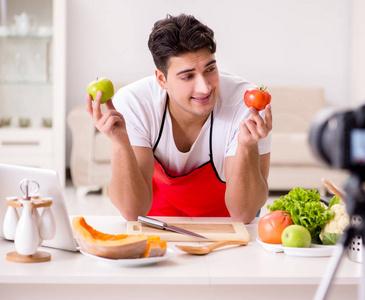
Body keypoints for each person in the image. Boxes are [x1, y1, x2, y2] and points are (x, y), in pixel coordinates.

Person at [85, 14, 272, 224]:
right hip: (158, 219)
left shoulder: (248, 104)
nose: (205, 88)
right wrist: (120, 143)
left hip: (225, 221)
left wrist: (246, 147)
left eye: (210, 69)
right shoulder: (135, 103)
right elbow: (132, 211)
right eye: (187, 76)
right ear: (162, 79)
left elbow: (244, 214)